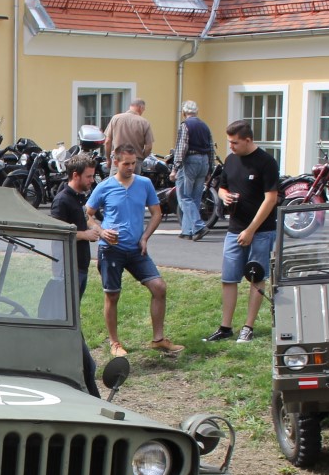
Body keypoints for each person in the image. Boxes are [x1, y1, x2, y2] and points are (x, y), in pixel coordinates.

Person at [85, 143, 183, 356]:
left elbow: (156, 213)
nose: (131, 167)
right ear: (116, 162)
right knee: (112, 295)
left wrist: (145, 237)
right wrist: (101, 232)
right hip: (111, 249)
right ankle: (114, 343)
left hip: (136, 249)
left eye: (134, 163)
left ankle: (158, 339)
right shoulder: (104, 187)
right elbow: (87, 214)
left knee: (159, 287)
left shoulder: (144, 184)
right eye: (126, 163)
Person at [205, 121, 279, 343]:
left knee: (256, 277)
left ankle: (248, 326)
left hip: (261, 231)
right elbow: (222, 185)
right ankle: (225, 327)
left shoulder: (266, 162)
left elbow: (271, 198)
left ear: (248, 140)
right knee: (229, 278)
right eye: (229, 142)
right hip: (234, 229)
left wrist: (251, 230)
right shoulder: (230, 160)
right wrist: (223, 195)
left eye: (235, 142)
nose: (231, 146)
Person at [50, 154, 102, 396]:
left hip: (79, 268)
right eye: (89, 176)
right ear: (75, 176)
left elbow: (84, 221)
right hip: (68, 270)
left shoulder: (79, 198)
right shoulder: (62, 200)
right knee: (70, 320)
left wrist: (94, 227)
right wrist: (84, 235)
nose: (92, 180)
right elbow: (56, 233)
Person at [170, 100, 216, 240]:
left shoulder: (185, 125)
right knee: (194, 198)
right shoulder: (205, 126)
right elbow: (211, 148)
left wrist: (175, 168)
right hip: (204, 162)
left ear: (184, 113)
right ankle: (187, 230)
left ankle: (198, 226)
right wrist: (210, 168)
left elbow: (182, 147)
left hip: (190, 160)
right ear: (197, 112)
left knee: (184, 196)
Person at [102, 97, 154, 162]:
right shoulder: (144, 122)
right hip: (135, 160)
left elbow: (107, 142)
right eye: (143, 109)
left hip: (118, 160)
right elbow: (149, 147)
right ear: (140, 107)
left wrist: (108, 159)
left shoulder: (115, 118)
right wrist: (141, 158)